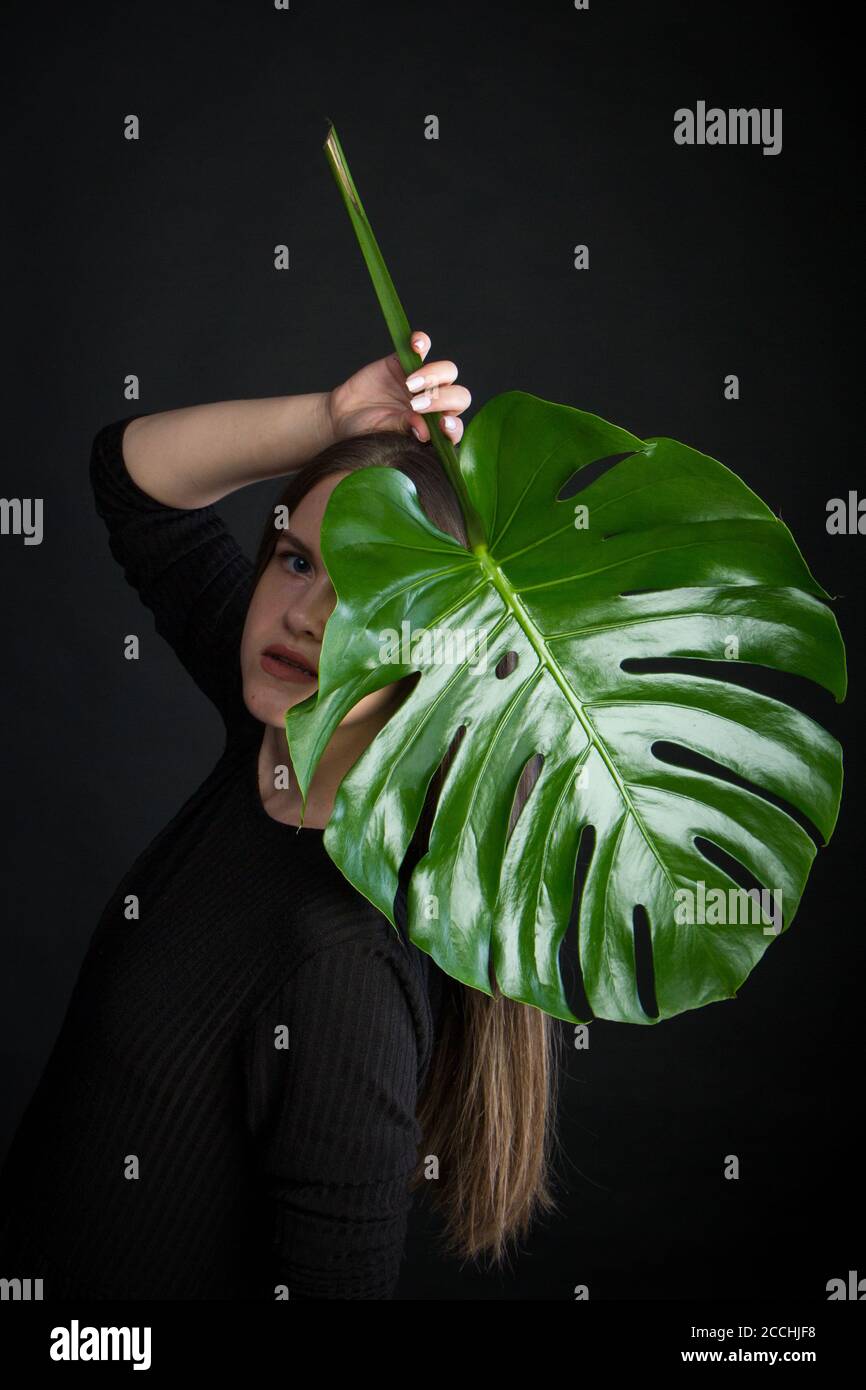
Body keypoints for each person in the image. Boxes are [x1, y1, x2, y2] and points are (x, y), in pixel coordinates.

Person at [0, 331, 562, 1301]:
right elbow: (134, 483)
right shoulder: (282, 730)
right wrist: (334, 425)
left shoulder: (340, 961)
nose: (306, 618)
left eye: (368, 601)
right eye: (297, 561)